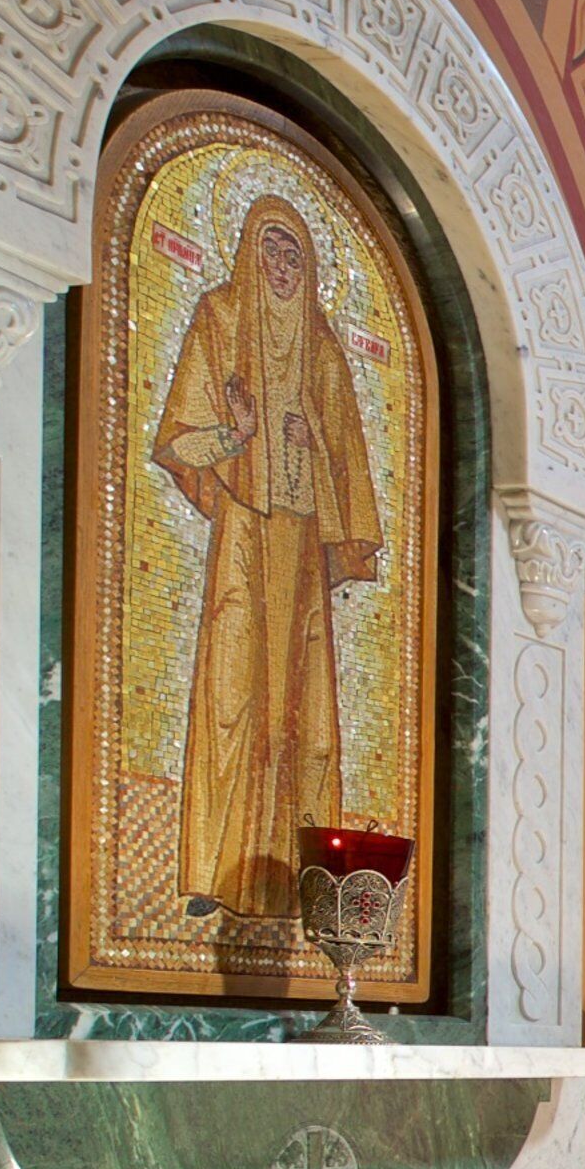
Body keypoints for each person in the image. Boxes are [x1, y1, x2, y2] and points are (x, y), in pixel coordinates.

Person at [154, 194, 385, 917]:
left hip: (301, 546)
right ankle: (212, 872)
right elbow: (179, 440)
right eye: (271, 252)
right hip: (244, 536)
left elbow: (349, 466)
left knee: (306, 720)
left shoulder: (323, 350)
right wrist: (238, 434)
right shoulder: (220, 317)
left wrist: (308, 437)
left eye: (295, 256)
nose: (282, 268)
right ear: (249, 252)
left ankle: (303, 885)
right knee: (232, 693)